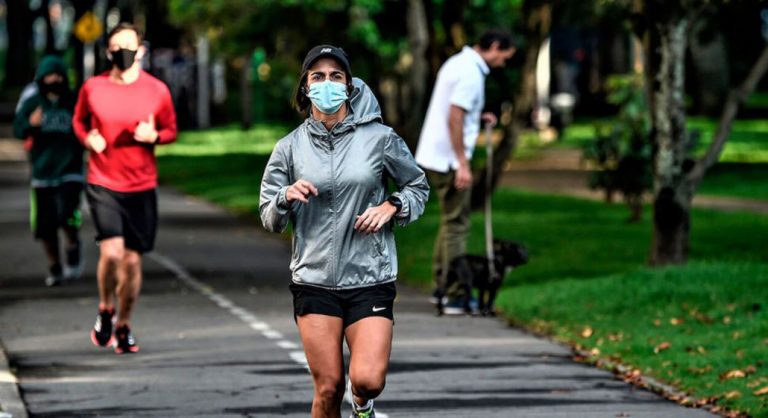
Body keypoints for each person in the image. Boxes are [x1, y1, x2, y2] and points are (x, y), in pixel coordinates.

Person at [260, 45, 429, 418]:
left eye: (336, 76)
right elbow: (269, 218)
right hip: (314, 280)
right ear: (305, 87)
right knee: (328, 388)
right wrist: (286, 196)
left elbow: (418, 186)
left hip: (369, 275)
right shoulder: (288, 148)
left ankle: (363, 405)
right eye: (317, 77)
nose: (327, 84)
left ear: (349, 86)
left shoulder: (380, 139)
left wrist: (392, 206)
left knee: (367, 379)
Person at [73, 23, 177, 354]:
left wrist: (155, 137)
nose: (123, 52)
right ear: (107, 52)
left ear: (141, 50)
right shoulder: (93, 87)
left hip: (141, 184)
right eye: (117, 47)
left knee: (132, 262)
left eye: (129, 46)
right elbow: (79, 121)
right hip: (103, 181)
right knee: (112, 252)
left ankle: (124, 323)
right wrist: (88, 138)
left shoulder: (157, 90)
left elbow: (171, 129)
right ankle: (106, 307)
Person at [414, 29, 516, 315]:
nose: (503, 63)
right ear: (494, 47)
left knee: (449, 222)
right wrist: (462, 162)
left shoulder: (457, 62)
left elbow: (459, 110)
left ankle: (441, 287)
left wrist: (478, 115)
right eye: (504, 57)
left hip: (433, 154)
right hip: (449, 159)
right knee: (458, 225)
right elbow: (454, 116)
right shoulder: (471, 73)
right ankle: (457, 294)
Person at [13, 55, 85, 287]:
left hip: (70, 171)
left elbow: (87, 127)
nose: (53, 79)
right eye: (48, 76)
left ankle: (73, 244)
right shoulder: (33, 102)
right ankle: (55, 266)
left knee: (68, 214)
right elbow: (18, 129)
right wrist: (31, 125)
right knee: (45, 226)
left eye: (57, 75)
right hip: (42, 173)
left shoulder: (74, 101)